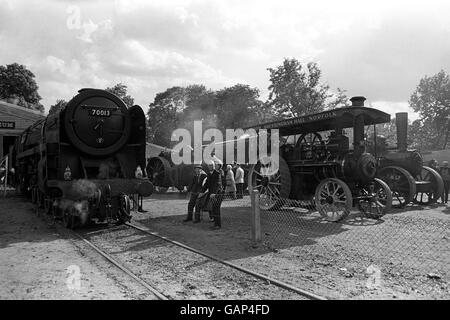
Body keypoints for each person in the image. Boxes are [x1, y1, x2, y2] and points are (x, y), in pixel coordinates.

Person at [194, 158, 224, 229]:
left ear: (213, 166)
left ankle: (217, 225)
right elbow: (206, 184)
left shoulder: (217, 174)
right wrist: (201, 192)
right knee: (213, 208)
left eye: (211, 165)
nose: (209, 166)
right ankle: (216, 224)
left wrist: (214, 193)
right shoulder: (209, 174)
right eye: (208, 165)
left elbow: (217, 184)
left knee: (216, 209)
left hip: (217, 194)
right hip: (212, 194)